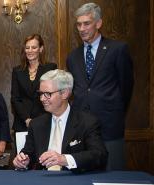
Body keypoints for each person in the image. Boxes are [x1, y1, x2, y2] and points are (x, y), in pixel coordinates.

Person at [66, 3, 134, 170]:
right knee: (84, 179)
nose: (82, 28)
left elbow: (126, 86)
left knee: (113, 176)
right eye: (78, 24)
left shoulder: (117, 49)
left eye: (86, 23)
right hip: (81, 128)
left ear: (98, 23)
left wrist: (114, 108)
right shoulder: (72, 57)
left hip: (109, 125)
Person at [13, 69, 107, 173]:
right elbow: (28, 153)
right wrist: (23, 161)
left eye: (47, 94)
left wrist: (64, 159)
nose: (42, 99)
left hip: (74, 180)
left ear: (65, 93)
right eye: (41, 93)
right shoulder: (36, 124)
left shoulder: (87, 122)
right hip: (42, 181)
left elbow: (99, 155)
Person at [11, 34, 57, 133]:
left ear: (41, 49)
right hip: (22, 123)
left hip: (45, 122)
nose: (30, 50)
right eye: (27, 48)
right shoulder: (17, 71)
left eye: (34, 47)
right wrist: (26, 119)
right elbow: (15, 98)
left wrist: (38, 121)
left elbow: (52, 96)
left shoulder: (51, 68)